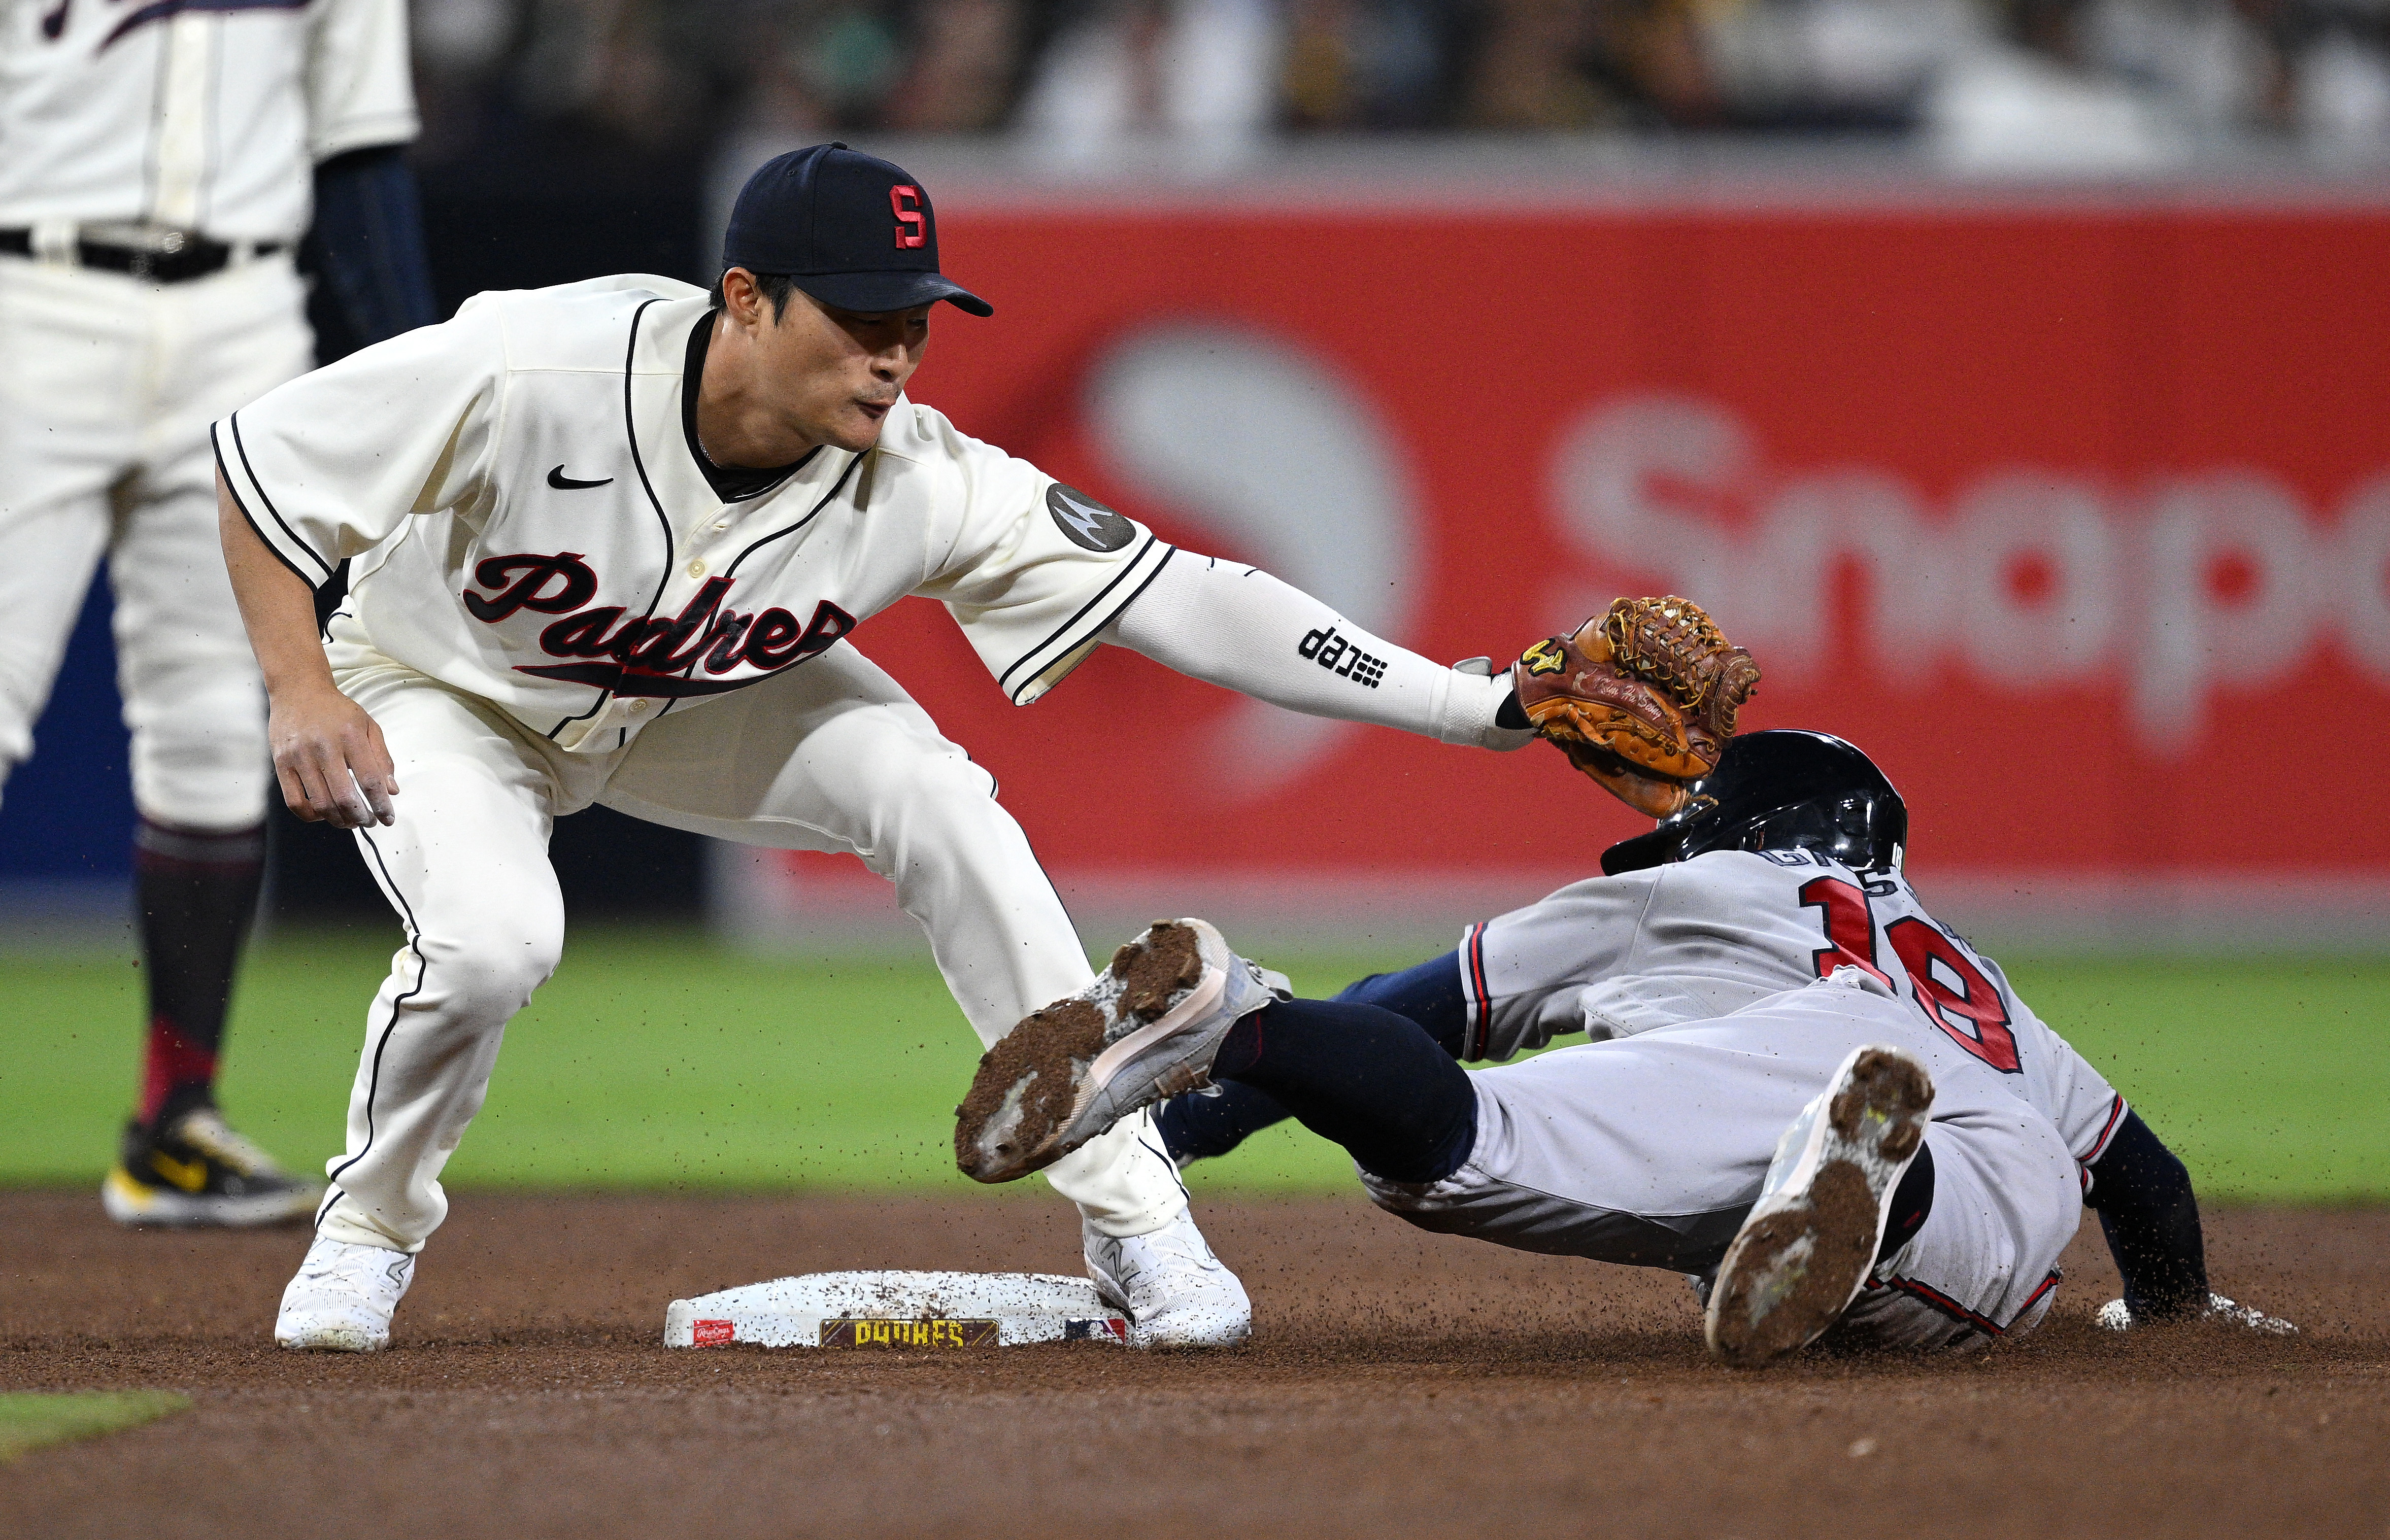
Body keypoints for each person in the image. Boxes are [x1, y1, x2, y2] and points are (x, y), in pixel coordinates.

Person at [212, 142, 1540, 1351]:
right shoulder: (538, 366)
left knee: (933, 793)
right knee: (496, 941)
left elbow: (1186, 595)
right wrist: (297, 685)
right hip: (445, 694)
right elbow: (263, 464)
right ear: (743, 299)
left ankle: (1132, 1215)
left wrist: (1460, 707)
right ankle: (366, 1233)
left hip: (686, 701)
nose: (892, 352)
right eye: (857, 317)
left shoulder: (921, 475)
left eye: (912, 318)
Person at [966, 731, 2292, 1361]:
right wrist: (2172, 1311)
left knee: (1459, 1146)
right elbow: (2142, 1174)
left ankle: (1236, 1018)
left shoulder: (1671, 892)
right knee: (1965, 1256)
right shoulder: (1964, 972)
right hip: (1954, 1107)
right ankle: (1878, 1187)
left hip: (1736, 1068)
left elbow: (1409, 1001)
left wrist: (1190, 1120)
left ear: (1728, 832)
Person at [0, 0, 436, 1226]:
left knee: (209, 724)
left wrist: (418, 375)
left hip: (243, 312)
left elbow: (359, 152)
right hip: (27, 294)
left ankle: (176, 1126)